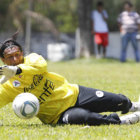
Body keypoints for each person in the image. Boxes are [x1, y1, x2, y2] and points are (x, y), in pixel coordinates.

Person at [1, 32, 140, 126]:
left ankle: (133, 105)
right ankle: (121, 121)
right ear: (3, 60)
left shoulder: (32, 59)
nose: (15, 59)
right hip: (58, 115)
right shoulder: (7, 86)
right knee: (85, 117)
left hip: (74, 93)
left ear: (21, 53)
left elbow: (41, 66)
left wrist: (18, 70)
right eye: (10, 57)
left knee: (117, 101)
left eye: (17, 54)